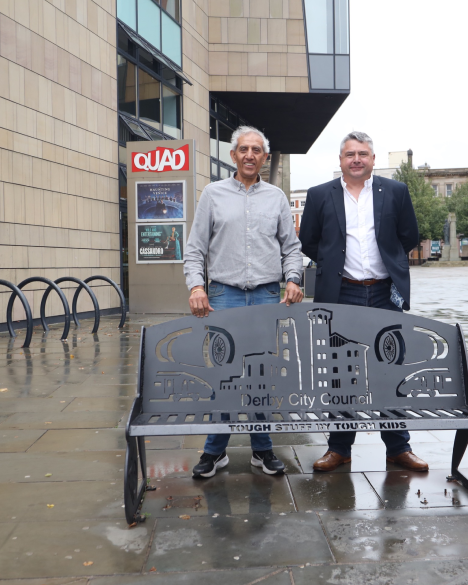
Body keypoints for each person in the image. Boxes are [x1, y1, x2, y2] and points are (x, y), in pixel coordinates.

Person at [298, 130, 429, 473]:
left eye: (363, 154)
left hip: (385, 293)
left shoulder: (396, 192)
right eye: (350, 154)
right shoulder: (319, 195)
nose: (356, 159)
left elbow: (409, 236)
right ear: (340, 161)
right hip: (343, 294)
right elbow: (309, 241)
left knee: (391, 369)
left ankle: (398, 447)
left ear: (372, 159)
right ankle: (339, 448)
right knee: (342, 374)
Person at [183, 125, 304, 478]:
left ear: (265, 157)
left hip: (267, 296)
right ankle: (214, 452)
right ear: (233, 155)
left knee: (261, 375)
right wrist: (196, 287)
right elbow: (195, 249)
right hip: (223, 295)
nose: (250, 155)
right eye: (243, 149)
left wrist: (294, 279)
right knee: (225, 375)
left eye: (257, 150)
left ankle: (262, 450)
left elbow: (291, 249)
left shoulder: (277, 198)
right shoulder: (213, 195)